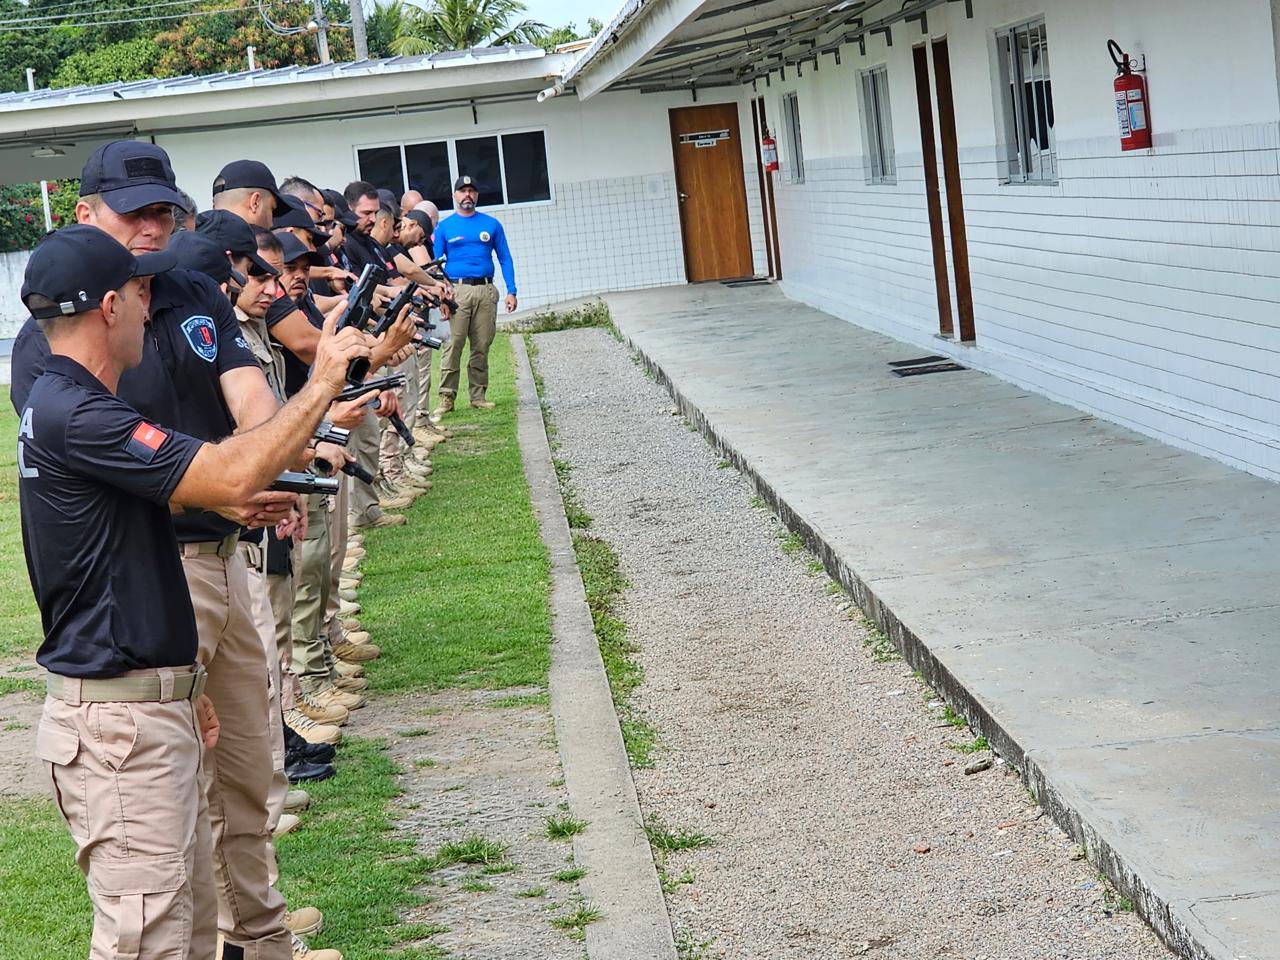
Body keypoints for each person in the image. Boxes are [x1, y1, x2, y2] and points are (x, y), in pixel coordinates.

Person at [22, 223, 370, 960]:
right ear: (109, 306)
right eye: (143, 294)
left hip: (144, 704)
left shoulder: (70, 403)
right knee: (148, 939)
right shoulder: (79, 413)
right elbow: (230, 474)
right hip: (119, 730)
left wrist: (182, 683)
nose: (153, 311)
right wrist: (322, 385)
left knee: (183, 925)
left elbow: (152, 528)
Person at [433, 174, 517, 414]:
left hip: (485, 289)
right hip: (456, 291)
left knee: (481, 344)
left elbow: (505, 258)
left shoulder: (491, 224)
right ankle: (446, 398)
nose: (467, 195)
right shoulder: (445, 227)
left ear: (477, 195)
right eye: (462, 191)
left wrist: (512, 290)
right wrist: (441, 295)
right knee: (454, 343)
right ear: (454, 196)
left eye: (471, 191)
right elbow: (434, 263)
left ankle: (478, 395)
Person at [212, 159, 289, 229]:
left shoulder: (202, 237)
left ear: (214, 206)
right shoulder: (246, 243)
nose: (271, 224)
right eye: (271, 209)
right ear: (255, 202)